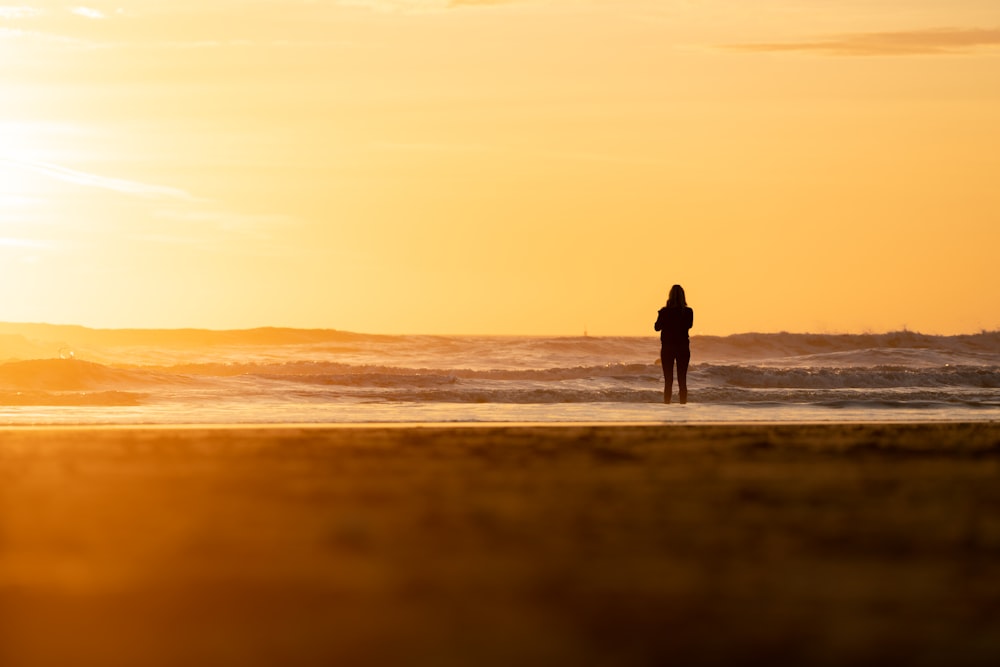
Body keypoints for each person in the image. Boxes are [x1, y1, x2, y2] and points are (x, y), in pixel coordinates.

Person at [654, 285, 694, 404]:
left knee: (668, 380)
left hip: (668, 348)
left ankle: (667, 404)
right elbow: (689, 325)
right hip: (683, 347)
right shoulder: (688, 311)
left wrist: (663, 315)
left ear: (670, 296)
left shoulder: (665, 311)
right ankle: (683, 404)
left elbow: (656, 327)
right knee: (682, 380)